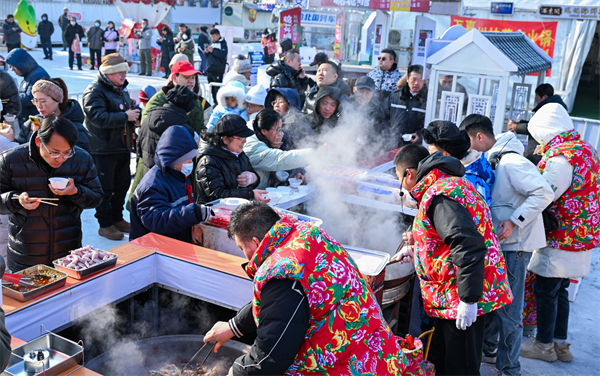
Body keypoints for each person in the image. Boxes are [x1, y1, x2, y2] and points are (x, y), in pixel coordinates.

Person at [203, 201, 408, 375]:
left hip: (349, 365)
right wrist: (233, 326)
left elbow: (272, 355)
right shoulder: (307, 234)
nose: (244, 256)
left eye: (242, 248)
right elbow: (276, 307)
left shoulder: (281, 271)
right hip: (376, 349)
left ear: (256, 242)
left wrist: (236, 371)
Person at [394, 145, 513, 376]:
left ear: (409, 173)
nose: (404, 189)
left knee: (461, 367)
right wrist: (417, 250)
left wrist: (468, 301)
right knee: (441, 359)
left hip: (463, 295)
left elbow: (467, 245)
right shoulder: (448, 184)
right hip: (452, 294)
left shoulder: (439, 195)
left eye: (400, 181)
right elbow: (445, 239)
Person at [461, 116, 553, 376]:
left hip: (515, 245)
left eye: (467, 141)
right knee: (495, 302)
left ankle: (510, 368)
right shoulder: (497, 159)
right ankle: (491, 352)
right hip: (504, 243)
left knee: (510, 310)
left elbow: (543, 192)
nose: (466, 148)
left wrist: (515, 220)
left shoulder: (511, 162)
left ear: (479, 137)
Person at [519, 103, 600, 363]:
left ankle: (543, 345)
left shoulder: (561, 157)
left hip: (561, 235)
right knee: (560, 288)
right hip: (582, 233)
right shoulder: (586, 149)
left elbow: (546, 193)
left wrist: (516, 218)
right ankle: (561, 344)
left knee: (546, 289)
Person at [0, 117, 103, 272]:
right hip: (26, 252)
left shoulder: (81, 159)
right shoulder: (10, 160)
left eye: (67, 152)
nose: (61, 159)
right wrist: (16, 200)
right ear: (38, 143)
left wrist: (76, 192)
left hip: (68, 251)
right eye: (54, 152)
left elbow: (97, 197)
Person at [82, 53, 138, 241]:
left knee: (122, 186)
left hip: (121, 146)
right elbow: (96, 117)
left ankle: (117, 218)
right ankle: (105, 224)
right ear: (108, 73)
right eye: (119, 72)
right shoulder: (94, 90)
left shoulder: (120, 89)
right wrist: (125, 117)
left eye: (124, 72)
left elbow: (126, 110)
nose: (124, 76)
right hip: (103, 148)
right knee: (105, 189)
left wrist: (134, 119)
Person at [130, 125, 213, 242]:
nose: (190, 164)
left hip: (175, 242)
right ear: (174, 160)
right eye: (187, 160)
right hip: (153, 249)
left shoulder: (179, 175)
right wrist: (192, 213)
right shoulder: (153, 185)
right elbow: (156, 220)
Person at [195, 115, 268, 204]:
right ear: (225, 139)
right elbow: (216, 195)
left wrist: (253, 178)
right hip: (215, 212)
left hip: (240, 208)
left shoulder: (238, 153)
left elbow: (253, 175)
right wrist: (250, 194)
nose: (244, 141)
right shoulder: (208, 161)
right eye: (240, 138)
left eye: (245, 138)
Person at [423, 120, 495, 208]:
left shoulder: (466, 183)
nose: (429, 157)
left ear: (446, 154)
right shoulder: (464, 172)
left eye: (431, 152)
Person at [244, 109, 315, 189]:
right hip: (250, 197)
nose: (280, 134)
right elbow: (280, 159)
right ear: (263, 131)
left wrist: (292, 174)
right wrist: (313, 154)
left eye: (281, 130)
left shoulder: (261, 136)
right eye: (278, 130)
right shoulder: (251, 146)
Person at [17, 78, 90, 153]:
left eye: (43, 101)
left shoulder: (75, 127)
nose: (39, 106)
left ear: (57, 100)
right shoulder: (29, 124)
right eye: (35, 101)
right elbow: (22, 155)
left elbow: (79, 158)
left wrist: (44, 139)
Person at [138, 85, 196, 176]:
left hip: (148, 177)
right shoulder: (185, 130)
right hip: (171, 181)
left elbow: (140, 150)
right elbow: (186, 162)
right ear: (188, 108)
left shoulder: (147, 118)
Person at [142, 60, 209, 135]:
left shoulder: (196, 101)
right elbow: (146, 124)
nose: (191, 81)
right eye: (187, 77)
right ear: (174, 77)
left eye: (193, 77)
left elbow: (201, 128)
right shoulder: (159, 99)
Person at [507, 83, 568, 165]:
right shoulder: (555, 107)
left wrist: (516, 127)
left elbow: (535, 127)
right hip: (549, 149)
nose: (536, 100)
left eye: (537, 97)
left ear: (545, 97)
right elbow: (537, 124)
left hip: (539, 152)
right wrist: (520, 123)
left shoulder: (549, 109)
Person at [380, 64, 427, 150]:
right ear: (407, 79)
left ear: (424, 81)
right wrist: (389, 135)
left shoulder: (428, 100)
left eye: (420, 79)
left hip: (416, 148)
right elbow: (381, 117)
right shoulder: (394, 97)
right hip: (392, 145)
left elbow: (431, 124)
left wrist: (420, 135)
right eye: (414, 79)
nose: (416, 83)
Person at [5, 48, 50, 126]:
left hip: (35, 123)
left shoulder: (38, 75)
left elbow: (31, 98)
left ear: (20, 64)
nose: (12, 69)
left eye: (13, 66)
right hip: (28, 122)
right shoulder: (29, 75)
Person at [205, 28, 228, 105]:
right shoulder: (211, 43)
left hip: (218, 69)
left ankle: (218, 103)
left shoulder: (223, 43)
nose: (213, 38)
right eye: (212, 37)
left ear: (219, 35)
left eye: (214, 36)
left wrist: (213, 51)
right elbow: (207, 56)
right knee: (211, 88)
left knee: (217, 88)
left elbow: (223, 55)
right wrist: (206, 52)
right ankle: (214, 102)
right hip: (209, 68)